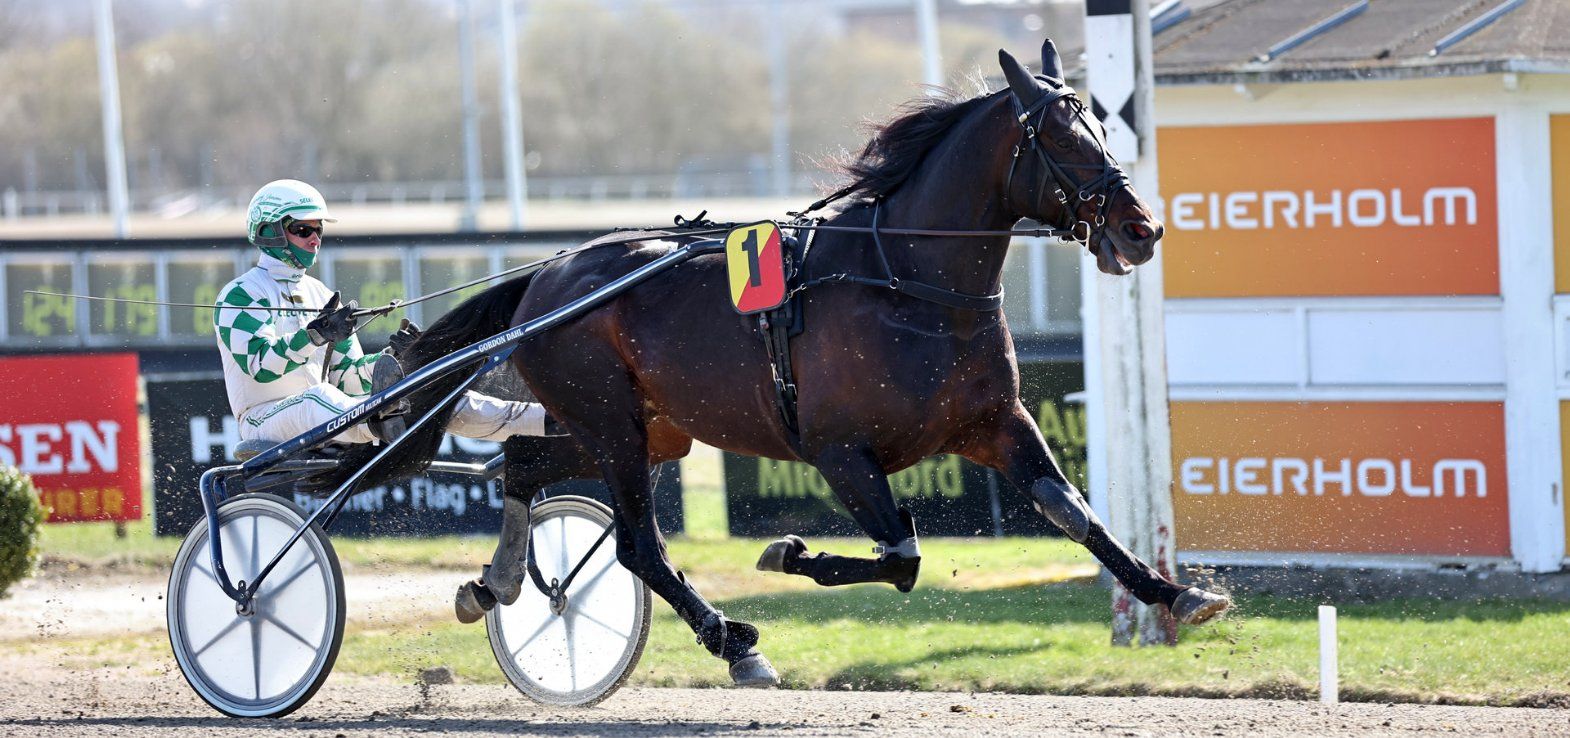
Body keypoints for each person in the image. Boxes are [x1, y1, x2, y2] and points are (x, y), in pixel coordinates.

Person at [216, 179, 558, 446]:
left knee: (427, 387)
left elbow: (348, 377)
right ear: (270, 232)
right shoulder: (239, 295)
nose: (315, 239)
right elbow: (260, 366)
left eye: (318, 229)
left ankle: (545, 420)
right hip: (263, 421)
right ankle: (381, 420)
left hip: (334, 414)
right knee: (317, 398)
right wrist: (315, 336)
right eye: (303, 230)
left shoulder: (319, 294)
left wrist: (397, 359)